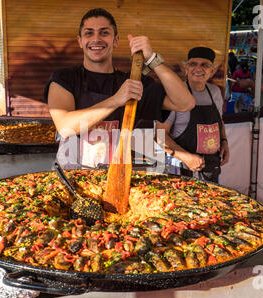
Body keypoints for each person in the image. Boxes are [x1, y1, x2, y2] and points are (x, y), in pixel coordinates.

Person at [44, 8, 195, 168]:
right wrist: (116, 99)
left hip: (117, 179)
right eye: (89, 33)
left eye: (104, 33)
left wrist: (152, 58)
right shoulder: (64, 78)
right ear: (80, 41)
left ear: (115, 40)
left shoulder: (134, 82)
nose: (96, 39)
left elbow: (185, 103)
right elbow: (65, 127)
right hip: (71, 177)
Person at [156, 47, 230, 183]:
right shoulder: (175, 94)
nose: (198, 68)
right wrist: (186, 157)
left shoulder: (215, 92)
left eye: (204, 65)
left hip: (210, 166)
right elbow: (159, 135)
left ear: (212, 71)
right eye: (193, 64)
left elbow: (219, 120)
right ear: (186, 68)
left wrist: (224, 140)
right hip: (180, 168)